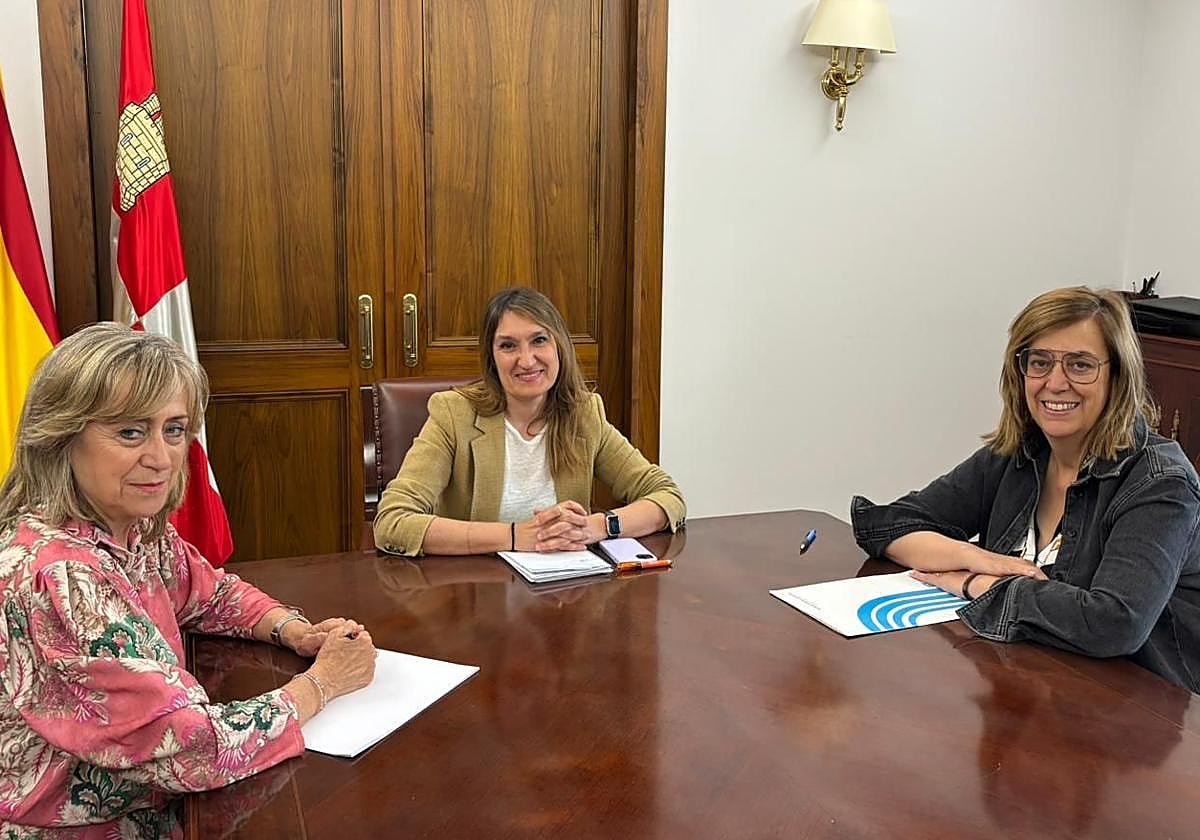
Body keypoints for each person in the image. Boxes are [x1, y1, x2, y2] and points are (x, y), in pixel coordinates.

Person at [0, 323, 377, 838]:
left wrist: (293, 630)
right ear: (60, 436)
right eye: (131, 432)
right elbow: (195, 749)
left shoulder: (128, 524)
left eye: (174, 430)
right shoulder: (60, 576)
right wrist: (324, 682)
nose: (161, 458)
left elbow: (210, 592)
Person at [852, 286, 1200, 693]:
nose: (1055, 382)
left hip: (1137, 709)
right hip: (1023, 689)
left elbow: (1114, 623)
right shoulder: (1016, 455)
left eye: (1080, 365)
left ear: (1117, 377)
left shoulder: (1160, 483)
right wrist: (976, 558)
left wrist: (976, 584)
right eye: (1040, 362)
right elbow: (887, 524)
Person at [374, 287, 686, 556]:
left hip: (563, 593)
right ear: (492, 358)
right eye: (508, 345)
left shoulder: (584, 414)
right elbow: (393, 521)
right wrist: (514, 536)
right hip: (475, 592)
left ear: (559, 346)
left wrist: (597, 527)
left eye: (539, 340)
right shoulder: (454, 415)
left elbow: (666, 496)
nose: (526, 360)